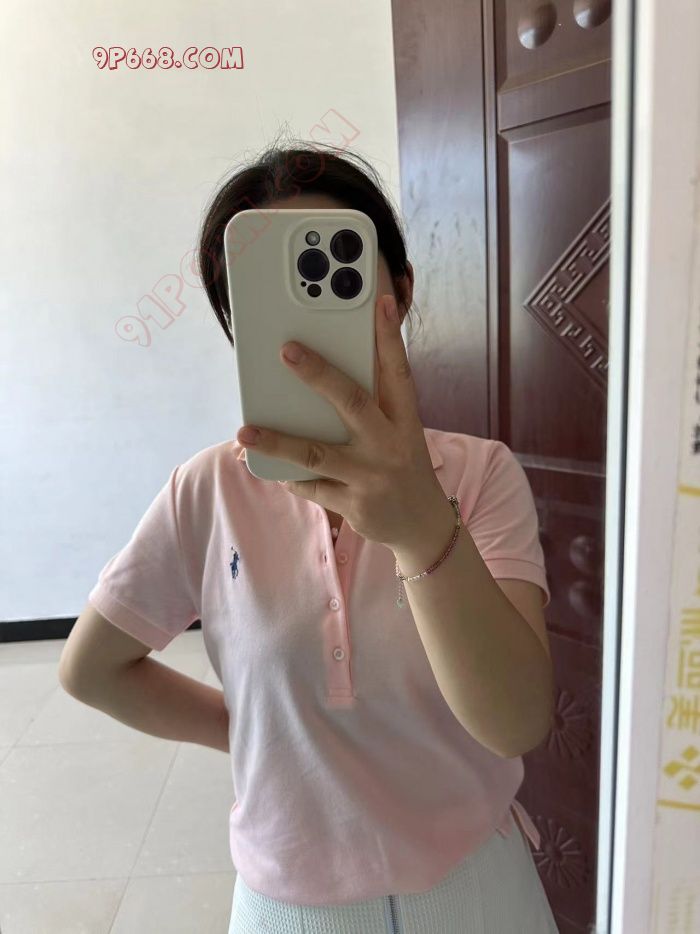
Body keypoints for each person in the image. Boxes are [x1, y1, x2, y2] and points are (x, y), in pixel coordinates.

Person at [68, 140, 560, 933]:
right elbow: (92, 670)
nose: (304, 326)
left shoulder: (479, 474)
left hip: (478, 879)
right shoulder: (208, 490)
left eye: (340, 278)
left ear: (400, 292)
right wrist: (253, 734)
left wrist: (422, 529)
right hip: (289, 899)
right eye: (265, 296)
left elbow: (514, 723)